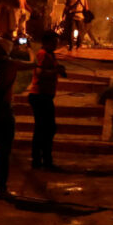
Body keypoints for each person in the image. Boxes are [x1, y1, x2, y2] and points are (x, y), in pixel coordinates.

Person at [0, 38, 34, 198]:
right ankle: (1, 189)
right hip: (3, 110)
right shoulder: (11, 64)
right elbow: (33, 63)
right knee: (4, 151)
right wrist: (29, 49)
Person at [28, 31, 66, 170]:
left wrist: (58, 69)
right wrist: (55, 71)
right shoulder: (42, 54)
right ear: (46, 42)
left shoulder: (50, 54)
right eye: (54, 42)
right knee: (45, 129)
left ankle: (41, 160)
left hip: (46, 95)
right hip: (39, 96)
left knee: (45, 129)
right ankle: (41, 160)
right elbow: (40, 72)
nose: (56, 45)